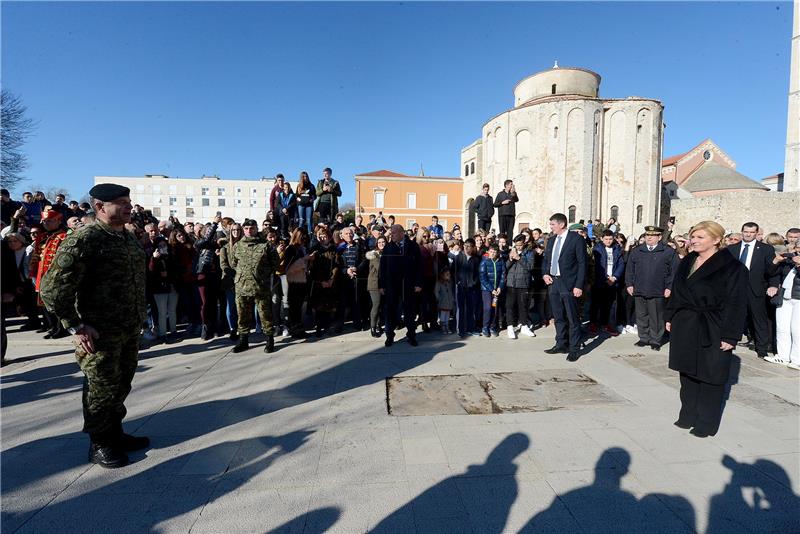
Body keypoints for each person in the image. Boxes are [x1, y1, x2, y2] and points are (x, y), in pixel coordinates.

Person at [39, 183, 149, 468]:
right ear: (100, 207)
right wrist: (75, 326)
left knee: (120, 384)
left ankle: (115, 433)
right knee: (101, 388)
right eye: (121, 202)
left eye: (129, 200)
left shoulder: (127, 238)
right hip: (99, 332)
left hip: (127, 328)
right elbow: (51, 288)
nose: (129, 206)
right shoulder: (86, 238)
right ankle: (99, 443)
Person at [666, 221, 747, 437]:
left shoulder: (733, 267)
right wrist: (671, 314)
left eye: (700, 237)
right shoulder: (688, 261)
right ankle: (688, 414)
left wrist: (730, 335)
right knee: (687, 373)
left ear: (716, 240)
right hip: (685, 323)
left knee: (711, 375)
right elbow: (677, 289)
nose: (694, 240)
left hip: (714, 326)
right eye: (693, 236)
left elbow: (737, 303)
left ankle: (706, 422)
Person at [727, 222, 780, 358]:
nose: (748, 234)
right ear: (742, 231)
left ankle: (761, 348)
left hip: (756, 289)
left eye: (751, 232)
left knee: (758, 318)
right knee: (731, 317)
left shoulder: (765, 249)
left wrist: (773, 285)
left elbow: (772, 270)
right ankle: (729, 341)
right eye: (745, 231)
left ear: (756, 233)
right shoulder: (732, 248)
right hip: (735, 289)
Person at [230, 218, 279, 353]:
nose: (249, 231)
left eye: (252, 228)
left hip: (260, 286)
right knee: (242, 315)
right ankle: (243, 341)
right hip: (242, 286)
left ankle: (269, 340)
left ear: (257, 229)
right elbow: (233, 263)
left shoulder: (265, 245)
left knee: (265, 315)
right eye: (246, 228)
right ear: (243, 230)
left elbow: (275, 262)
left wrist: (263, 273)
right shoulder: (237, 246)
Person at [542, 213, 587, 362]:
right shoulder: (552, 240)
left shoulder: (576, 239)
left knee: (572, 317)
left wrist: (578, 285)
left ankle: (574, 348)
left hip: (569, 284)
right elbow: (546, 259)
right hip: (553, 283)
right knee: (558, 316)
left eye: (553, 224)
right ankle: (561, 343)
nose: (551, 227)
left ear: (561, 224)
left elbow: (582, 264)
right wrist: (545, 274)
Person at [625, 226, 677, 351]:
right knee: (641, 315)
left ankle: (655, 339)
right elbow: (630, 270)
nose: (649, 237)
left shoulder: (668, 251)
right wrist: (629, 284)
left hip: (658, 289)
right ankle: (643, 337)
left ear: (659, 237)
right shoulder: (637, 251)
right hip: (640, 288)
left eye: (652, 235)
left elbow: (674, 272)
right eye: (647, 235)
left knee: (656, 316)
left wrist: (669, 287)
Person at [378, 224, 422, 347]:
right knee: (390, 312)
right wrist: (381, 285)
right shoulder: (388, 247)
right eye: (391, 234)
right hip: (391, 286)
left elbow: (419, 266)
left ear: (402, 233)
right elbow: (383, 267)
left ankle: (411, 335)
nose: (391, 236)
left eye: (394, 233)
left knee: (410, 312)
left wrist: (418, 283)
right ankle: (389, 336)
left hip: (409, 285)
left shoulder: (413, 246)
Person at [766, 245, 800, 369]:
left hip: (798, 299)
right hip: (785, 297)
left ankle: (797, 359)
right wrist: (777, 261)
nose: (798, 250)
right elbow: (771, 273)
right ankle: (782, 356)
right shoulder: (790, 261)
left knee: (797, 330)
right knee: (782, 327)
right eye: (798, 247)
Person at [590, 230, 625, 337]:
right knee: (596, 304)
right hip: (600, 281)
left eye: (610, 239)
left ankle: (609, 325)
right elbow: (597, 266)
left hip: (613, 281)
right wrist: (606, 278)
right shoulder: (597, 249)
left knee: (611, 305)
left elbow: (621, 264)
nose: (608, 241)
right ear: (602, 239)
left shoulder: (617, 249)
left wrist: (614, 277)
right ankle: (594, 324)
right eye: (606, 239)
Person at [505, 234, 535, 339]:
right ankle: (510, 327)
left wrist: (519, 258)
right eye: (516, 245)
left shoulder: (529, 252)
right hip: (511, 283)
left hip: (523, 283)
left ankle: (524, 326)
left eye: (520, 245)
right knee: (510, 306)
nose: (518, 247)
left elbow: (530, 267)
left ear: (524, 243)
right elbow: (506, 267)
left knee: (523, 306)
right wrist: (510, 259)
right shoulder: (512, 251)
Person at [479, 244, 505, 337]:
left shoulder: (500, 262)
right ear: (488, 252)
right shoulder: (484, 262)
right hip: (486, 290)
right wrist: (491, 289)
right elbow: (483, 278)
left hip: (496, 290)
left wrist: (500, 287)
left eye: (494, 252)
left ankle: (492, 326)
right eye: (491, 251)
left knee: (494, 308)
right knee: (487, 308)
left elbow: (503, 276)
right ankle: (485, 327)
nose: (493, 253)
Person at [363, 235, 387, 337]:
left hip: (383, 283)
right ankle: (372, 327)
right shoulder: (374, 254)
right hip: (374, 283)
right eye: (379, 242)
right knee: (376, 306)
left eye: (383, 242)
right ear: (377, 244)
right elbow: (380, 269)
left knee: (381, 306)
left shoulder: (385, 253)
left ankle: (378, 325)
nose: (381, 244)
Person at [435, 269, 455, 334]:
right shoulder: (439, 283)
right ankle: (443, 327)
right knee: (443, 315)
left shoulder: (450, 283)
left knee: (447, 315)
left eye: (449, 274)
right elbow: (436, 292)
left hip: (449, 302)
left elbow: (451, 291)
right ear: (443, 275)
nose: (449, 275)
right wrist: (439, 298)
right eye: (447, 274)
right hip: (443, 302)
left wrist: (452, 299)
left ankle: (447, 326)